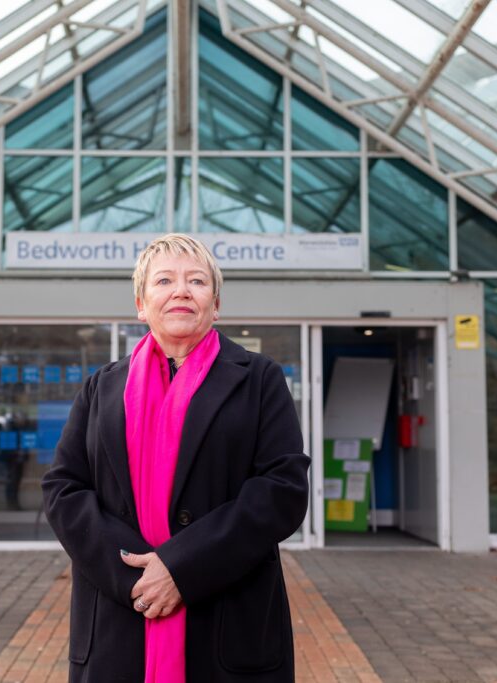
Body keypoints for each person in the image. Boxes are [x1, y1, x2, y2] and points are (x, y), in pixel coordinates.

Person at [43, 233, 310, 682]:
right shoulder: (101, 388)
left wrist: (183, 568)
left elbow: (281, 489)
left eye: (197, 281)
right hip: (118, 621)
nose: (181, 290)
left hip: (228, 624)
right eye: (164, 280)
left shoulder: (260, 379)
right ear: (141, 305)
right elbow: (63, 488)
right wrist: (135, 577)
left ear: (216, 303)